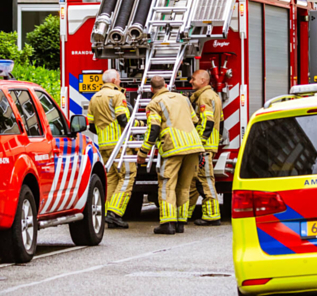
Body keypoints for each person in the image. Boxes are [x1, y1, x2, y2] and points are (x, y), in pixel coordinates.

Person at [138, 77, 204, 235]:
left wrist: (143, 152)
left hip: (173, 148)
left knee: (167, 185)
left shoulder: (154, 104)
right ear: (166, 86)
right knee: (184, 186)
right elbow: (195, 121)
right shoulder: (184, 99)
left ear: (151, 89)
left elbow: (153, 129)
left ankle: (167, 223)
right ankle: (180, 222)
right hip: (193, 146)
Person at [86, 69, 134, 229]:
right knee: (128, 175)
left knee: (112, 178)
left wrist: (104, 135)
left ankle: (107, 211)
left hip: (104, 145)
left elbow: (91, 125)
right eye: (119, 79)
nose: (120, 82)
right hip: (119, 145)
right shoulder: (117, 95)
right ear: (114, 80)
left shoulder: (94, 98)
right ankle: (115, 213)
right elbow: (122, 118)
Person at [188, 69, 222, 226]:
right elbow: (219, 122)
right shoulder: (214, 96)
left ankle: (212, 215)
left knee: (205, 180)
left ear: (203, 80)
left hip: (205, 147)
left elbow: (208, 122)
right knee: (196, 180)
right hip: (210, 146)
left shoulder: (204, 97)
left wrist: (200, 143)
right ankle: (186, 212)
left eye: (193, 79)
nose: (191, 81)